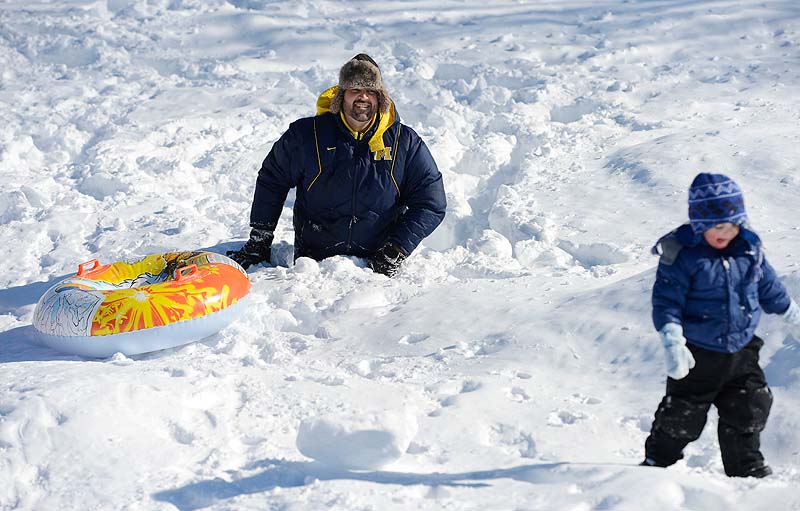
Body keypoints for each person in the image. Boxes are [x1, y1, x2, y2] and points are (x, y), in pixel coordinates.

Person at [227, 53, 446, 277]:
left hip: (376, 269)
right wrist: (260, 238)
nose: (363, 97)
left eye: (371, 91)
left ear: (381, 98)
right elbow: (272, 179)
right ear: (341, 96)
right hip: (312, 269)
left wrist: (396, 249)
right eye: (354, 89)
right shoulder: (306, 135)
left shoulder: (405, 142)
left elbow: (431, 202)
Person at [642, 172, 800, 477]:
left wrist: (792, 315)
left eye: (731, 225)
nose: (724, 233)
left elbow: (769, 288)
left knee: (750, 406)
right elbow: (667, 301)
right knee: (682, 415)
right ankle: (655, 466)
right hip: (698, 354)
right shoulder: (683, 256)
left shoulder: (749, 250)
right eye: (716, 227)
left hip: (742, 350)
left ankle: (746, 468)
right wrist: (673, 340)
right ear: (700, 224)